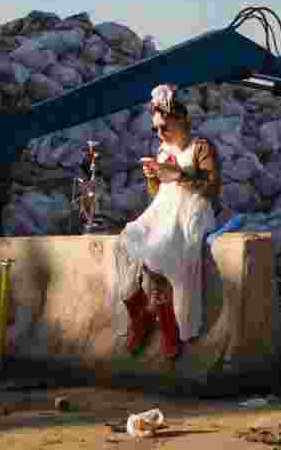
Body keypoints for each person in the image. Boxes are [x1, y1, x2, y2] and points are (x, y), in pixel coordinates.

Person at [112, 84, 223, 359]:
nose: (161, 133)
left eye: (165, 127)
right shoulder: (162, 150)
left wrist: (178, 176)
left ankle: (169, 328)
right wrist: (153, 175)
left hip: (192, 210)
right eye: (156, 129)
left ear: (181, 120)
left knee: (161, 251)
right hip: (164, 209)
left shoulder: (200, 148)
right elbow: (157, 192)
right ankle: (140, 316)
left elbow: (211, 189)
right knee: (125, 243)